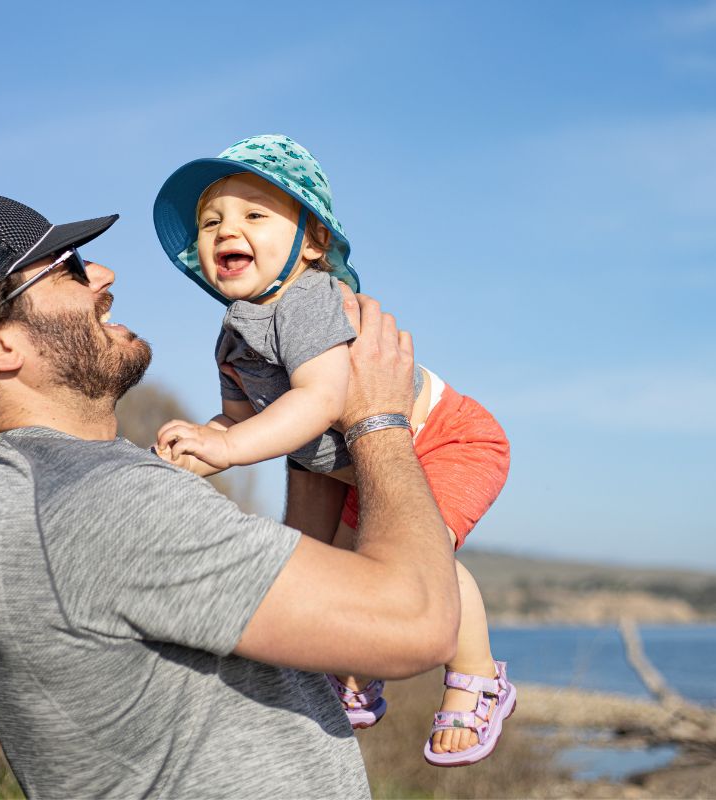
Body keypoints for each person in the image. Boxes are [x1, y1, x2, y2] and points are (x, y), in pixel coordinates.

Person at [0, 193, 461, 799]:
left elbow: (305, 598)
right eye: (71, 268)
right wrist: (377, 419)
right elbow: (416, 622)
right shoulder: (105, 507)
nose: (103, 275)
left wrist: (295, 406)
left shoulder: (52, 492)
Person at [152, 134, 515, 766]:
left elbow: (321, 400)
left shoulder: (308, 299)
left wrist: (233, 447)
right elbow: (245, 419)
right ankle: (359, 667)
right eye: (211, 222)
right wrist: (209, 440)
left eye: (254, 215)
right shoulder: (234, 334)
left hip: (446, 439)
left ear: (313, 243)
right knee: (354, 572)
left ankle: (478, 679)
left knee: (419, 555)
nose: (225, 230)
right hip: (363, 466)